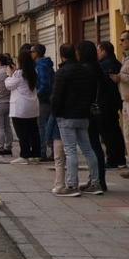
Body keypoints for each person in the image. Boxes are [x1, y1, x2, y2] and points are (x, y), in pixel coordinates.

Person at [51, 44, 104, 197]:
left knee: (70, 151)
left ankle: (72, 185)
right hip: (83, 115)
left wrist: (55, 112)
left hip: (66, 116)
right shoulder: (86, 71)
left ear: (62, 55)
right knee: (88, 150)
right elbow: (93, 92)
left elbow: (57, 96)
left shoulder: (62, 72)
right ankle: (95, 183)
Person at [79, 41, 110, 193]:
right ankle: (97, 179)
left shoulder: (86, 69)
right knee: (95, 146)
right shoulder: (97, 67)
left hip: (90, 112)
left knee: (92, 147)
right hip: (98, 111)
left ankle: (96, 181)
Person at [97, 42, 127, 169]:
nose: (97, 53)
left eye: (98, 51)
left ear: (104, 51)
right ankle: (120, 158)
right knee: (115, 130)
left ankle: (112, 159)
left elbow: (101, 85)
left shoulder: (103, 66)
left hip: (105, 103)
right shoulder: (118, 63)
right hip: (115, 101)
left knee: (107, 132)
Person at [6, 51, 40, 163]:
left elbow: (9, 85)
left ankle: (24, 154)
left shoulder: (19, 73)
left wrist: (9, 75)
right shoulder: (34, 71)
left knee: (22, 132)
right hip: (32, 106)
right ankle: (36, 154)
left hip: (20, 107)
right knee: (33, 131)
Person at [34, 44, 56, 161]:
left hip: (43, 100)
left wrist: (36, 94)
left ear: (36, 53)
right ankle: (53, 150)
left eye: (32, 52)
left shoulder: (41, 66)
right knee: (48, 125)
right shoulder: (46, 64)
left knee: (42, 126)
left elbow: (44, 84)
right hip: (48, 99)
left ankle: (42, 152)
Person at [116, 30, 129, 179]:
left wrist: (120, 77)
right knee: (127, 134)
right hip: (125, 100)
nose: (121, 43)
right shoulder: (125, 57)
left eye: (123, 40)